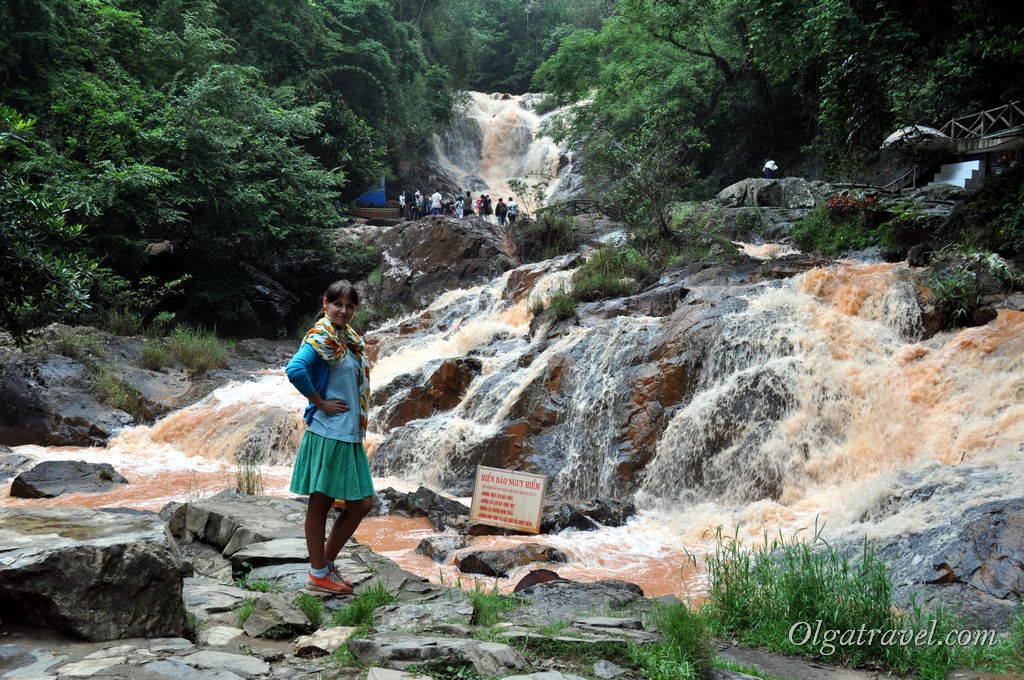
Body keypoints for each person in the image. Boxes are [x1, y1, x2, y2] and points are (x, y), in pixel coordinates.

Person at [285, 280, 374, 595]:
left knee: (362, 503)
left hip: (348, 435)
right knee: (320, 505)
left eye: (350, 306)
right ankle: (318, 573)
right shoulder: (321, 337)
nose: (344, 310)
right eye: (338, 304)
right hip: (328, 432)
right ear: (326, 304)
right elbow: (295, 370)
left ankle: (325, 564)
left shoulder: (348, 340)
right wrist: (319, 402)